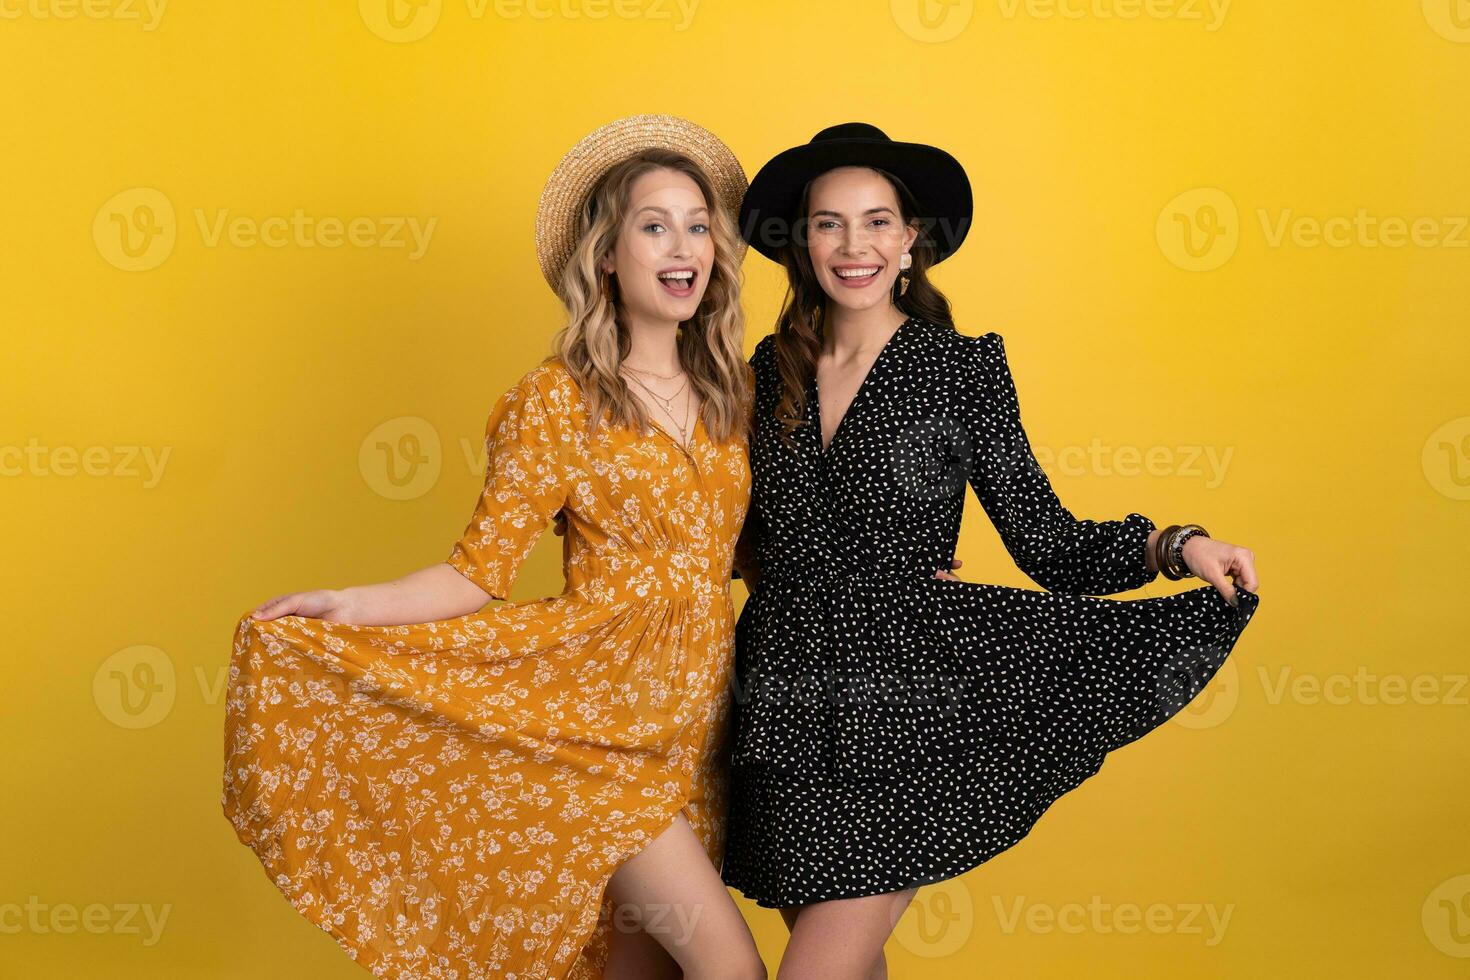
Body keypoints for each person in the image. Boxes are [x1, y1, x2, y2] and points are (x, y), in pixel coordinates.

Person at [222, 114, 766, 979]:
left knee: (643, 973)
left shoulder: (734, 400)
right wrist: (345, 607)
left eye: (698, 224)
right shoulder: (558, 402)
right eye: (654, 224)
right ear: (606, 256)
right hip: (597, 730)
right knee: (729, 969)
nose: (683, 245)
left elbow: (744, 557)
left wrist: (887, 567)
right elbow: (474, 574)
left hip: (697, 732)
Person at [723, 122, 1262, 980]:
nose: (852, 244)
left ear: (910, 242)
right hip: (781, 694)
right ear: (801, 244)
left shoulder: (957, 371)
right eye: (829, 223)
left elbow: (1047, 542)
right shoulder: (763, 371)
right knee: (847, 966)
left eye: (875, 222)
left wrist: (1176, 544)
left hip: (904, 696)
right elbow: (737, 533)